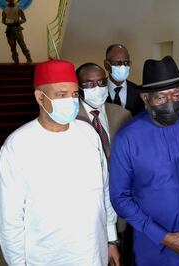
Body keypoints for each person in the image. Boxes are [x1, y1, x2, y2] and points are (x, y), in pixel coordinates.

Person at [0, 59, 119, 265]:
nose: (70, 101)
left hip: (94, 252)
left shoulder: (88, 133)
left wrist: (111, 239)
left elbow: (104, 191)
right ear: (40, 98)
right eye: (61, 95)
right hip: (47, 257)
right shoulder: (18, 145)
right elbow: (10, 220)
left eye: (74, 94)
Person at [109, 56, 179, 266]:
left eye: (177, 94)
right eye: (161, 97)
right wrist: (164, 237)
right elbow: (119, 197)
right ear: (145, 97)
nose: (171, 103)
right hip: (154, 246)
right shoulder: (127, 137)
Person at [75, 62, 132, 264]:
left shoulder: (122, 115)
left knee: (119, 254)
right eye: (89, 84)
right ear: (78, 87)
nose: (97, 89)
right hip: (85, 208)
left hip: (118, 202)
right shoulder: (69, 120)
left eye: (101, 83)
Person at [104, 44, 144, 116]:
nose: (123, 67)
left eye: (126, 63)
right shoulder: (98, 91)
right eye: (118, 63)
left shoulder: (137, 92)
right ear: (106, 65)